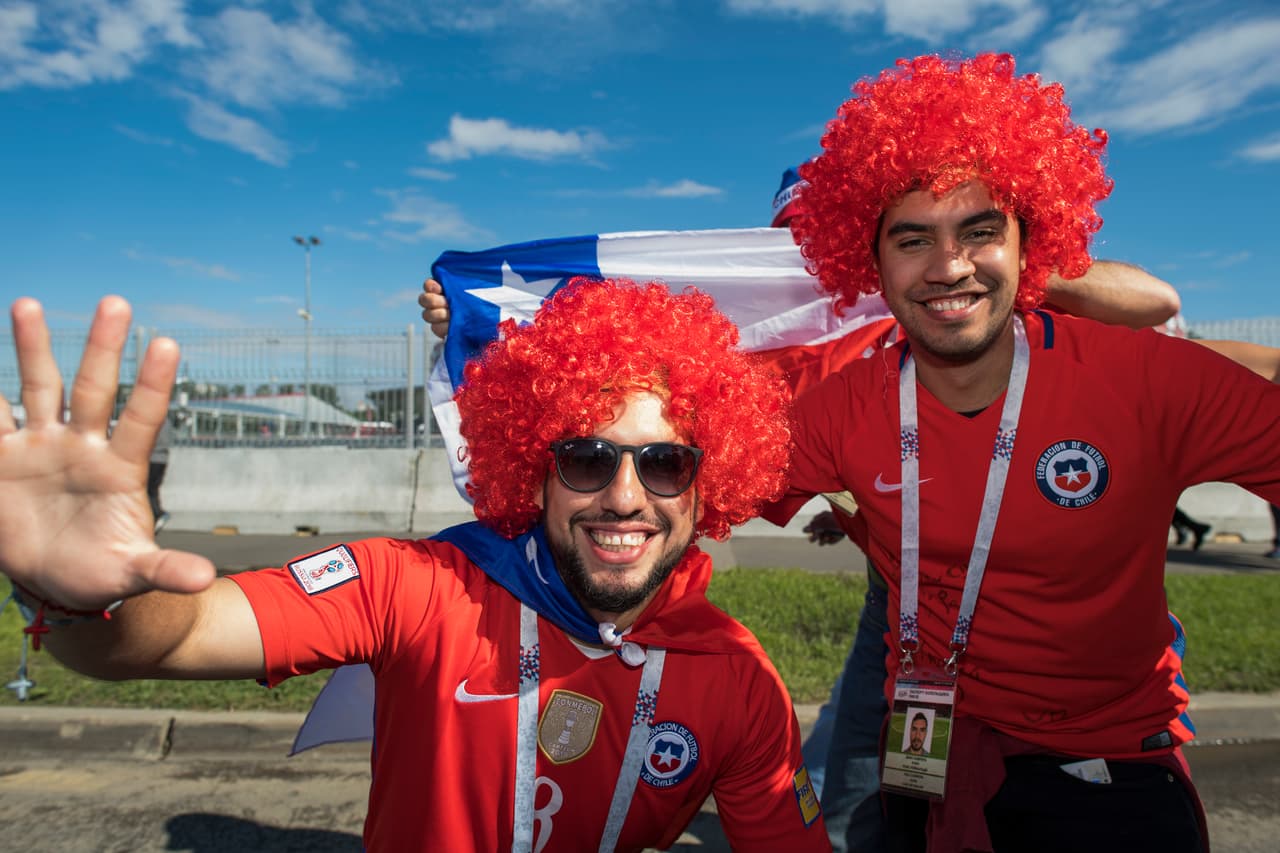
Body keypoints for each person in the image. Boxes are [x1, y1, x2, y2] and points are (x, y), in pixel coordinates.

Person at [0, 280, 830, 852]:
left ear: (707, 481)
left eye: (664, 463)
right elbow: (173, 637)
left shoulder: (739, 679)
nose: (623, 495)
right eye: (584, 458)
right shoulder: (417, 584)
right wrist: (73, 599)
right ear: (531, 469)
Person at [765, 52, 1280, 853]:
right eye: (912, 238)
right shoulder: (845, 400)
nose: (948, 266)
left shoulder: (1144, 380)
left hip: (1102, 774)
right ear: (870, 260)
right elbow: (681, 490)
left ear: (1029, 243)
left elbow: (1176, 318)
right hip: (927, 755)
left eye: (979, 230)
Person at [148, 414, 173, 533]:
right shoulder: (167, 421)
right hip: (162, 459)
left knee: (148, 490)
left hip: (152, 458)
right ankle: (155, 516)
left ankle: (157, 513)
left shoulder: (154, 420)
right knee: (153, 490)